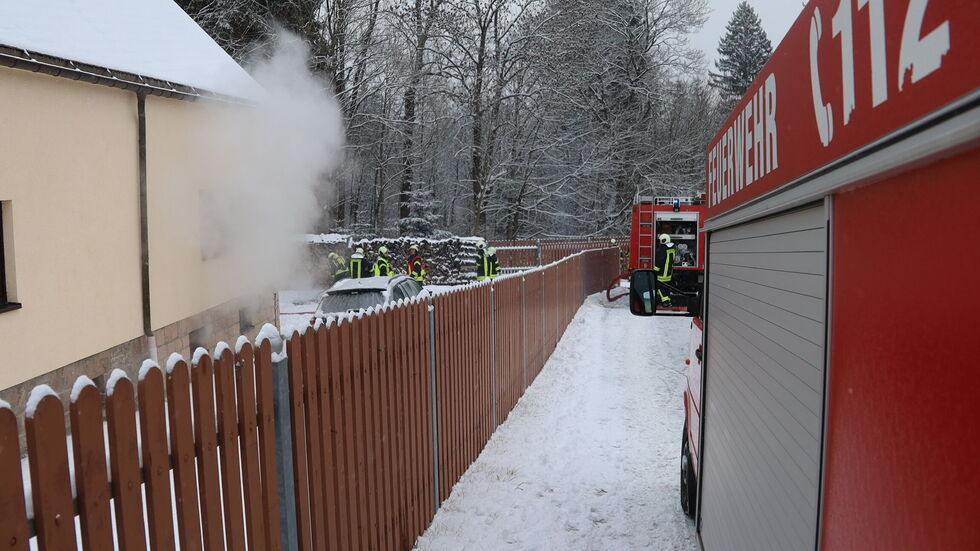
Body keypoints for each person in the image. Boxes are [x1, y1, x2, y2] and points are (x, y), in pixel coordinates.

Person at [654, 233, 675, 307]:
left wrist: (655, 270)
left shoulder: (662, 250)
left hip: (662, 273)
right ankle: (668, 300)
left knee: (659, 287)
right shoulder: (672, 248)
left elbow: (660, 261)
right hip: (669, 272)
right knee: (666, 287)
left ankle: (665, 301)